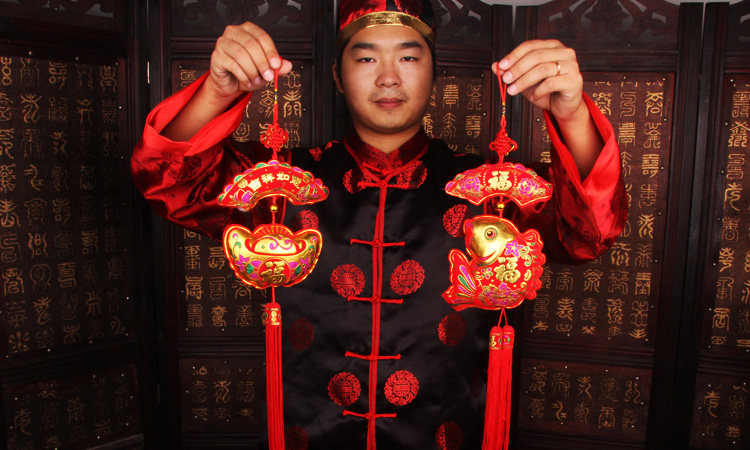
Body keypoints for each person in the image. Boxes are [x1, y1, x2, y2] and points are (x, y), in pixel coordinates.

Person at [131, 1, 627, 448]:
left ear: (435, 73)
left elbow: (588, 232)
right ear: (338, 75)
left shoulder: (491, 193)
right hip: (308, 434)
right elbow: (167, 180)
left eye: (408, 57)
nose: (388, 78)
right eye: (366, 58)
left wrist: (571, 114)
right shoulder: (280, 186)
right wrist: (217, 91)